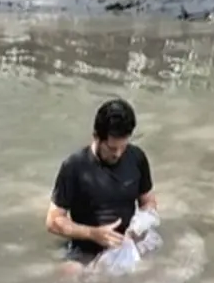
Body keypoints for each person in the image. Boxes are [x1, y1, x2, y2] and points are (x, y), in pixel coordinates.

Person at [44, 98, 158, 267]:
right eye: (112, 149)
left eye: (123, 147)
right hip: (86, 249)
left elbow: (148, 201)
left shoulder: (137, 158)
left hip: (128, 243)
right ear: (97, 137)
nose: (118, 154)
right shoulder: (75, 167)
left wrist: (139, 226)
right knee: (69, 275)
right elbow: (53, 221)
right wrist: (92, 233)